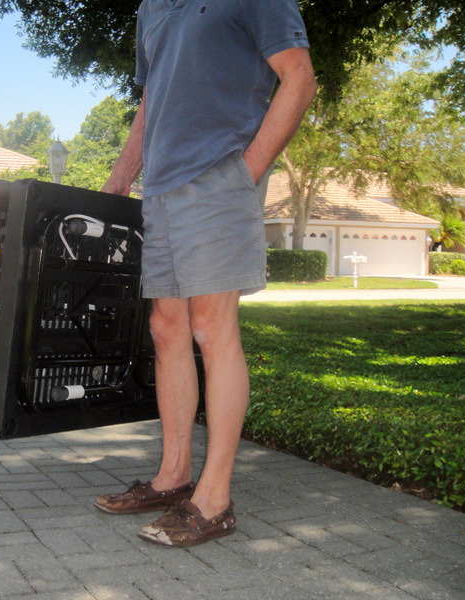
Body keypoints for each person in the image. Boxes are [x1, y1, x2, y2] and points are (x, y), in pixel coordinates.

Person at [96, 0, 318, 547]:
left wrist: (247, 171)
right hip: (162, 187)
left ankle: (214, 501)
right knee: (166, 328)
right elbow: (152, 98)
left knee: (211, 329)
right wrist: (123, 173)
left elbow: (299, 77)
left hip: (220, 175)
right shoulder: (151, 7)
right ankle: (173, 477)